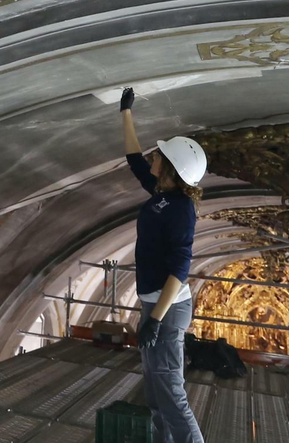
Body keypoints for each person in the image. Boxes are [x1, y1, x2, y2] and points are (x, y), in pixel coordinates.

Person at [120, 87, 208, 443]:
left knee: (172, 396)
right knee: (157, 397)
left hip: (167, 311)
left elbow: (181, 268)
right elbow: (133, 158)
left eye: (161, 155)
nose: (154, 156)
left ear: (171, 169)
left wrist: (155, 320)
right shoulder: (161, 192)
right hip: (154, 306)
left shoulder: (181, 208)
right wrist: (126, 113)